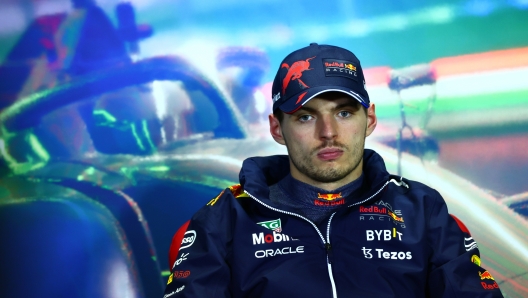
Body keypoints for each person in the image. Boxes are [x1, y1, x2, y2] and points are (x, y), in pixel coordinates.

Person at [162, 43, 503, 297]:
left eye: (343, 113)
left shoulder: (423, 211)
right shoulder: (225, 219)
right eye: (306, 117)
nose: (328, 133)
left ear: (368, 119)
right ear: (277, 128)